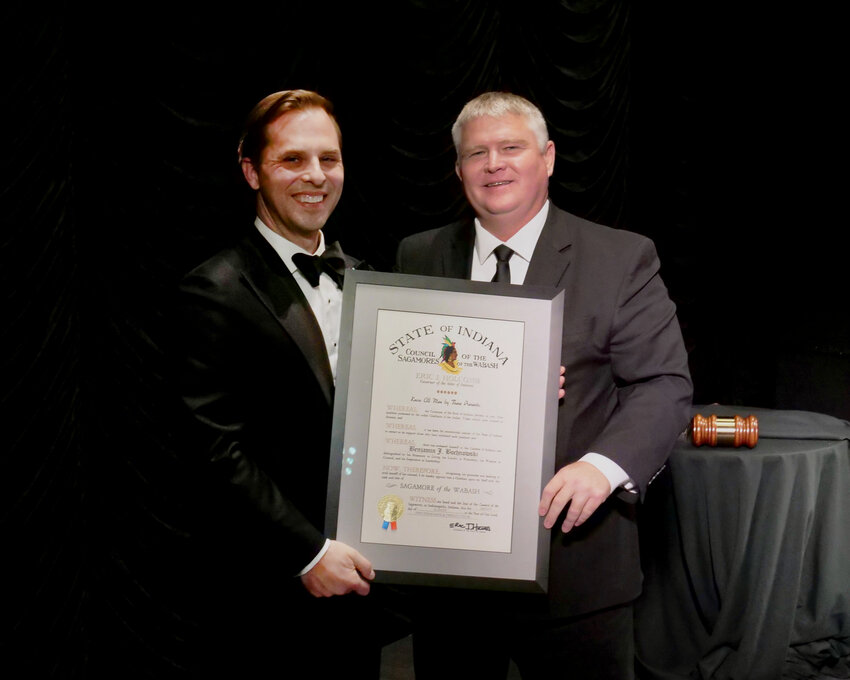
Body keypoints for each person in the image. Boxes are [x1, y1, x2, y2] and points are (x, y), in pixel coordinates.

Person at [395, 91, 693, 679]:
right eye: (476, 153)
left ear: (549, 157)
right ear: (458, 171)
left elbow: (663, 384)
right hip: (450, 575)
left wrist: (601, 467)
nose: (493, 164)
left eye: (511, 147)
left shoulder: (620, 257)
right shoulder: (418, 255)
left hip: (576, 569)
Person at [177, 89, 399, 677]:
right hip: (268, 594)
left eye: (329, 159)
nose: (316, 176)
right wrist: (307, 552)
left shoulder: (370, 281)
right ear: (252, 171)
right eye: (293, 159)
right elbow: (213, 449)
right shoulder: (216, 288)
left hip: (362, 585)